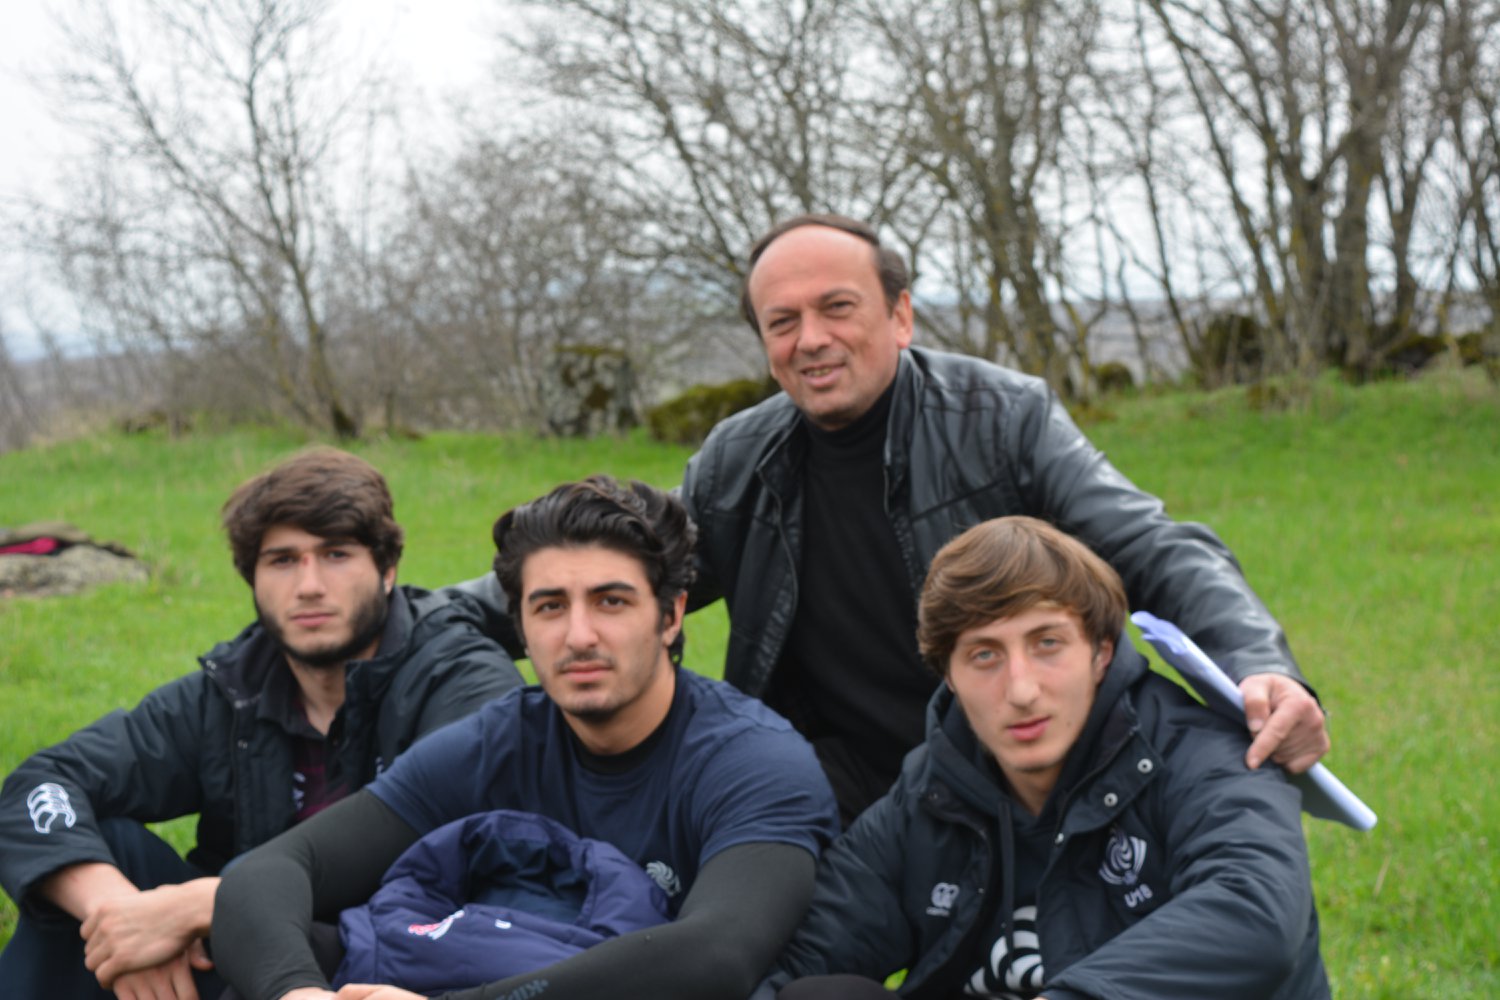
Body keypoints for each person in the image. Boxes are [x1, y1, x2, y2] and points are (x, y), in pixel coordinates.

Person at [678, 213, 1330, 821]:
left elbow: (1153, 547)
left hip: (1018, 776)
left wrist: (1256, 663)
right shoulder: (735, 461)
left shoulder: (1004, 420)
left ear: (900, 316)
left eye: (837, 308)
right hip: (840, 793)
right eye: (782, 322)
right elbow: (640, 570)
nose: (812, 339)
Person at [211, 476, 840, 1000]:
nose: (579, 636)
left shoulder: (752, 761)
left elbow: (717, 955)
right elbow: (272, 871)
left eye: (611, 602)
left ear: (671, 614)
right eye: (550, 607)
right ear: (520, 623)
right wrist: (298, 993)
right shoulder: (500, 741)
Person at [0, 448, 524, 1000]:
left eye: (336, 554)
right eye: (282, 560)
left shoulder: (457, 673)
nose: (309, 585)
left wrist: (210, 903)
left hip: (388, 953)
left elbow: (450, 828)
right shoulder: (235, 686)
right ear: (251, 577)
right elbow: (42, 782)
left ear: (387, 569)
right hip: (232, 945)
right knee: (104, 852)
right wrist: (118, 915)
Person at [758, 515, 1329, 999]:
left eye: (1047, 644)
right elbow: (805, 957)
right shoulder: (931, 791)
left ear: (1101, 652)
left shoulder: (1201, 754)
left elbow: (1256, 913)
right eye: (984, 656)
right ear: (949, 676)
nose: (1021, 690)